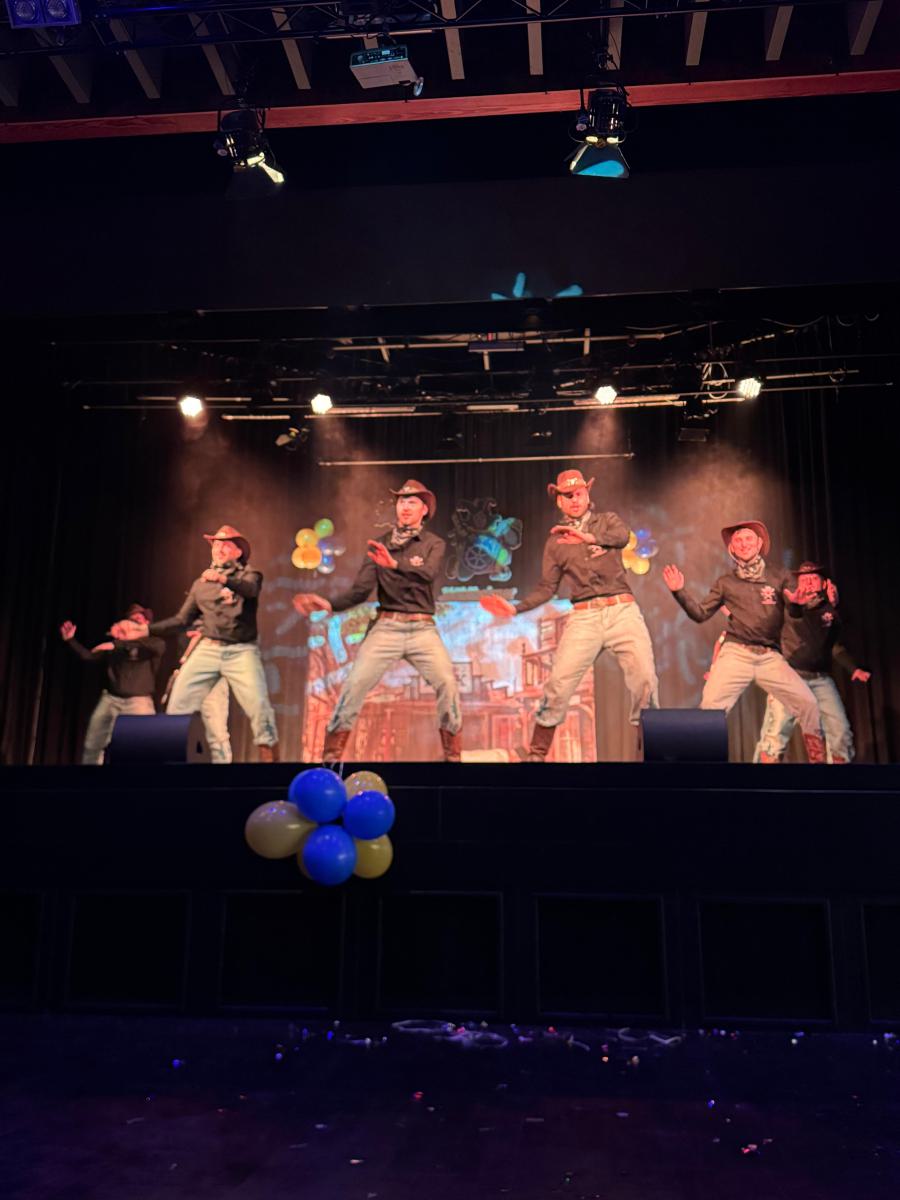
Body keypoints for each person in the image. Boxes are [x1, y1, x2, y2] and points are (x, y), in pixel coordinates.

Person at [480, 468, 659, 762]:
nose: (574, 499)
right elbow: (547, 587)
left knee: (645, 678)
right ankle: (537, 753)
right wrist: (516, 608)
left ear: (587, 495)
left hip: (621, 610)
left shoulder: (607, 521)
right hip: (584, 617)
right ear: (559, 501)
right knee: (559, 683)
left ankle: (651, 749)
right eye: (568, 495)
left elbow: (621, 537)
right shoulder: (555, 542)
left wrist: (587, 537)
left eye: (579, 493)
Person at [292, 480, 463, 763]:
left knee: (447, 683)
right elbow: (360, 591)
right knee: (355, 684)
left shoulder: (433, 544)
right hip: (387, 627)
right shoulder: (380, 545)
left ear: (424, 510)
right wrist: (329, 604)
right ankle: (331, 756)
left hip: (422, 628)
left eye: (412, 502)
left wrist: (394, 564)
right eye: (401, 501)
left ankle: (452, 756)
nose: (404, 507)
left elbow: (428, 573)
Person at [662, 521, 829, 762]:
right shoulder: (726, 582)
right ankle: (702, 766)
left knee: (809, 703)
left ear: (759, 544)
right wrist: (679, 591)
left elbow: (795, 613)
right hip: (736, 653)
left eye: (749, 538)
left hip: (770, 657)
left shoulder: (779, 576)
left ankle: (821, 769)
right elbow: (700, 614)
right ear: (732, 549)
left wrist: (796, 604)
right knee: (710, 708)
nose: (743, 543)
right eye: (738, 540)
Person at [116, 524, 278, 762]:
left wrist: (223, 578)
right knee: (178, 705)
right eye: (216, 545)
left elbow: (251, 590)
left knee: (259, 705)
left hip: (241, 650)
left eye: (226, 545)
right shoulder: (201, 584)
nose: (219, 549)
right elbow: (181, 620)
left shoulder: (250, 575)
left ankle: (270, 761)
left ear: (238, 552)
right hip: (208, 648)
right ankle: (171, 759)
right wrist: (144, 630)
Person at [752, 561, 870, 763]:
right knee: (774, 737)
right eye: (803, 579)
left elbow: (835, 646)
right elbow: (795, 615)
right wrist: (795, 605)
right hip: (789, 678)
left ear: (824, 584)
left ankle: (839, 780)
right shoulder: (790, 605)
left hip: (820, 679)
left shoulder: (829, 611)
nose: (808, 583)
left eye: (813, 578)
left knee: (841, 733)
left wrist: (854, 669)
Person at [59, 603, 164, 765]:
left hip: (139, 702)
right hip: (110, 700)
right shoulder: (114, 648)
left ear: (147, 625)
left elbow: (157, 646)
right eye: (131, 620)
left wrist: (116, 644)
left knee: (143, 747)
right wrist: (70, 640)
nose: (134, 622)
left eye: (139, 620)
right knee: (93, 745)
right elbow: (89, 656)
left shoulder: (152, 643)